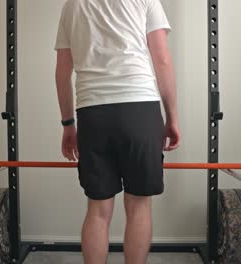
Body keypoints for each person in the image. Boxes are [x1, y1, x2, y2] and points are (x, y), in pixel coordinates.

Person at [54, 0, 180, 263]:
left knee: (98, 209)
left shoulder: (72, 5)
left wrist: (68, 125)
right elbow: (163, 60)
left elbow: (62, 72)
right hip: (139, 108)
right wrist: (172, 118)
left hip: (92, 113)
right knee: (139, 207)